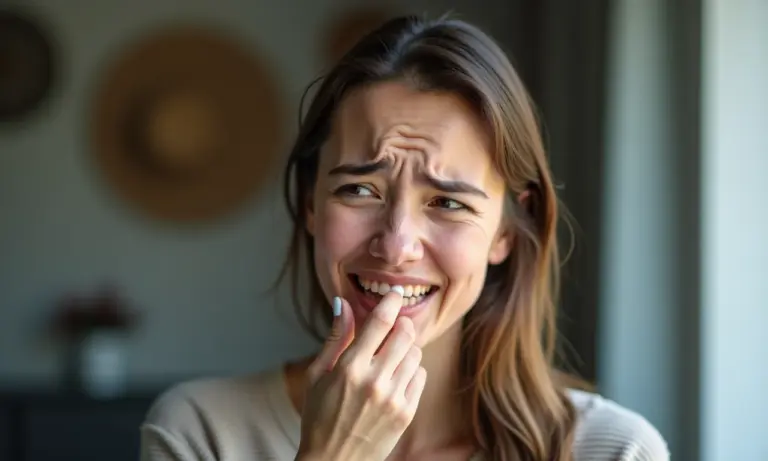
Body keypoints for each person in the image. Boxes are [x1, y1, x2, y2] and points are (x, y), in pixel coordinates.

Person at [140, 14, 669, 461]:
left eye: (448, 202)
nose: (396, 246)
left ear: (505, 231)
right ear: (309, 205)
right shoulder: (199, 432)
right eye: (360, 190)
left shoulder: (612, 450)